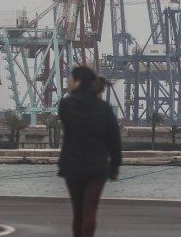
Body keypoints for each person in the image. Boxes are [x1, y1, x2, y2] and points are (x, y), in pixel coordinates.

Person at [58, 66, 122, 237]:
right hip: (96, 167)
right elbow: (114, 139)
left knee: (77, 213)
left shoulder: (65, 105)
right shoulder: (104, 108)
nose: (68, 82)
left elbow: (69, 116)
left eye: (70, 79)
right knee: (90, 213)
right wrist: (114, 166)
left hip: (72, 166)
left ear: (77, 81)